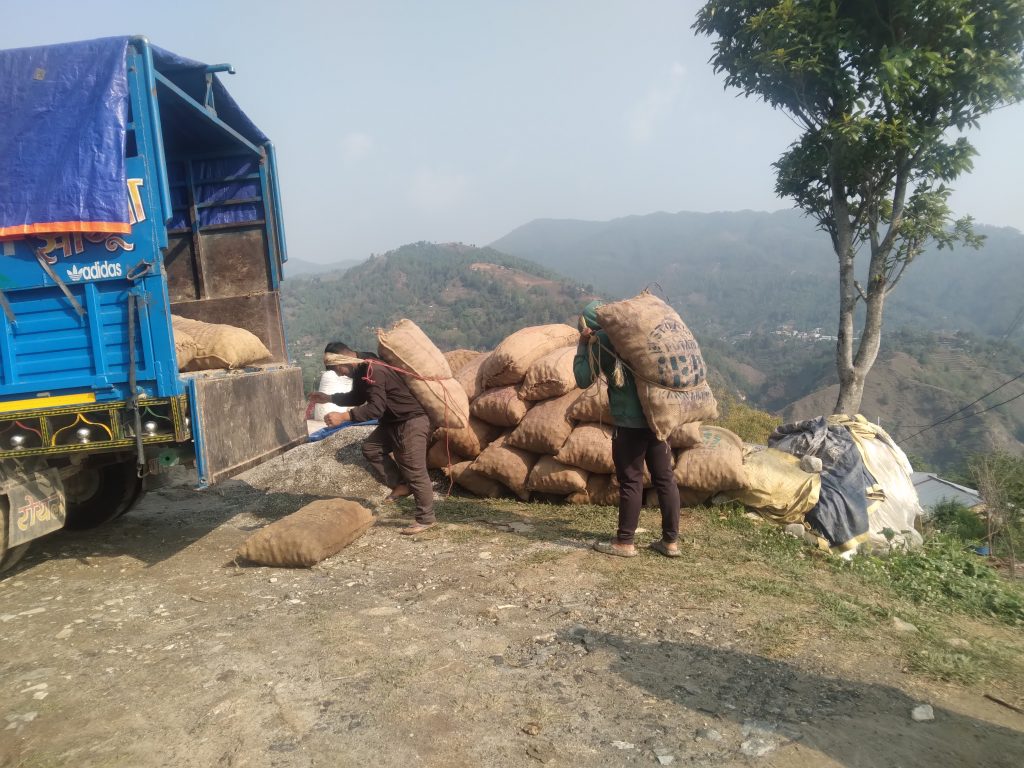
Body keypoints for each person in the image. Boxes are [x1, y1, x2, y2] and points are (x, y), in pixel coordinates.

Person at [573, 301, 681, 558]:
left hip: (629, 423)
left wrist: (583, 344)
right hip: (657, 417)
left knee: (631, 480)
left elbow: (583, 378)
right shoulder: (638, 335)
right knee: (665, 478)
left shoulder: (603, 340)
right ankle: (670, 542)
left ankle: (624, 542)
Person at [308, 342, 436, 535]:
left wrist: (344, 416)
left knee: (414, 468)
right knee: (372, 449)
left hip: (411, 420)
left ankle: (426, 519)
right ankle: (402, 485)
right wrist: (329, 398)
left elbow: (375, 409)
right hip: (392, 421)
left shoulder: (373, 370)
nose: (339, 374)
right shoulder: (361, 367)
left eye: (337, 369)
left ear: (343, 361)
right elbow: (358, 397)